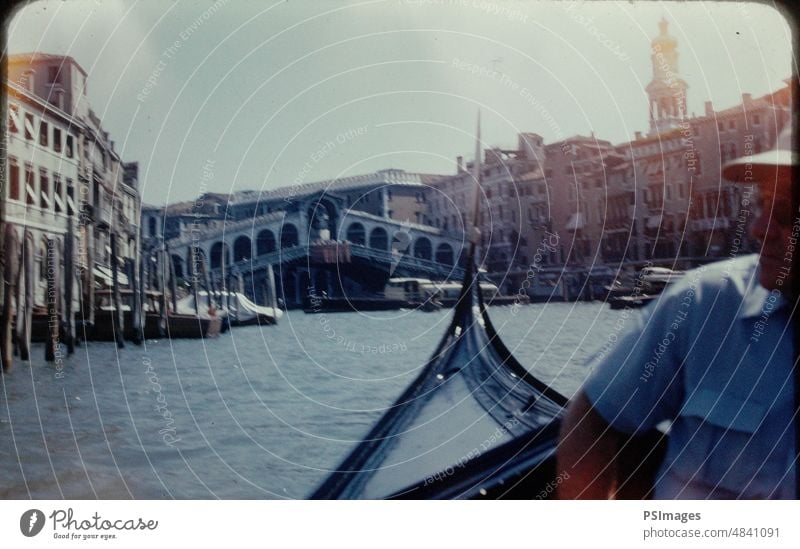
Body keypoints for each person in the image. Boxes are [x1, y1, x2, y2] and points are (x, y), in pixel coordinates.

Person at [557, 123, 797, 499]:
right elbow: (595, 416)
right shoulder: (705, 301)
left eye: (785, 211)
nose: (758, 228)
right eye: (763, 203)